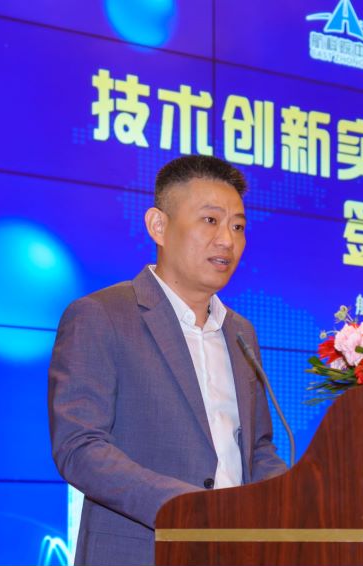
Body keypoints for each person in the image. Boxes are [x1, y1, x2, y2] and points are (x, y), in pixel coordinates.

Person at [48, 155, 286, 566]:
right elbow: (80, 447)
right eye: (210, 221)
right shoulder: (101, 315)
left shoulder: (241, 333)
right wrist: (189, 510)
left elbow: (257, 449)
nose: (227, 241)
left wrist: (298, 499)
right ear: (158, 225)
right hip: (141, 551)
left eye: (237, 226)